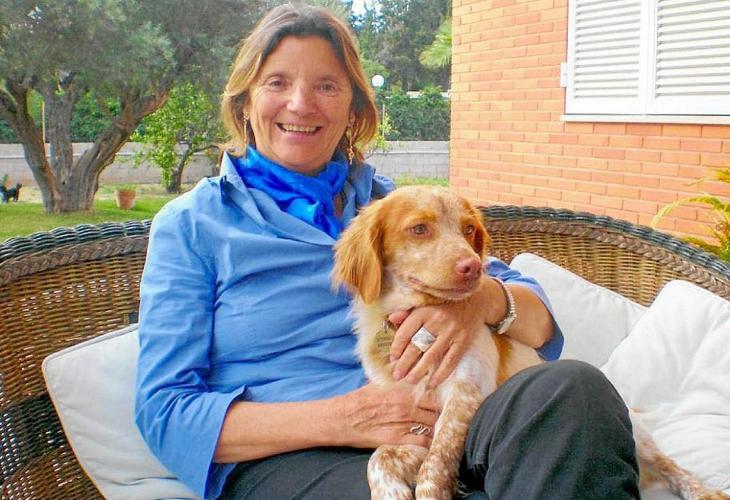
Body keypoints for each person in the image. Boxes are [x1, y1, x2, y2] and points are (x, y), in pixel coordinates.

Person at [135, 4, 640, 499]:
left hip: (447, 419)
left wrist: (478, 302)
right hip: (294, 455)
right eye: (277, 82)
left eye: (326, 86)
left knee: (574, 388)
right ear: (245, 102)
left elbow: (540, 325)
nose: (301, 104)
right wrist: (348, 417)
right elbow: (165, 413)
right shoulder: (193, 225)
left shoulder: (394, 205)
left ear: (353, 108)